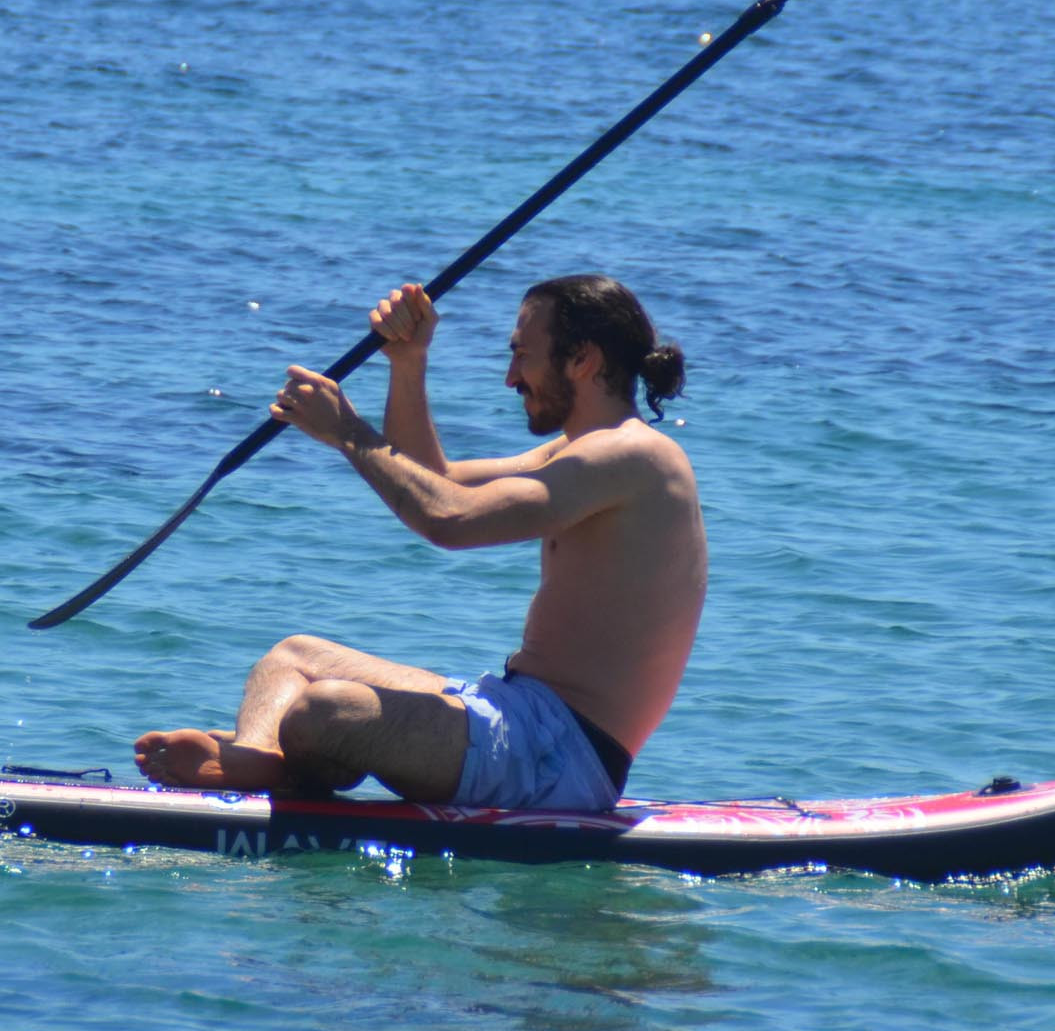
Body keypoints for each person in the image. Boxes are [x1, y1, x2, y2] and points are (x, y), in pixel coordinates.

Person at [133, 274, 704, 810]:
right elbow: (436, 480)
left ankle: (286, 759)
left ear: (582, 359)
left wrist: (349, 434)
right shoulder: (582, 452)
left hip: (558, 756)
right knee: (293, 657)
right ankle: (257, 758)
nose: (511, 378)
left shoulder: (631, 456)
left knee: (324, 710)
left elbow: (449, 521)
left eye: (521, 355)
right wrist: (408, 363)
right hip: (511, 711)